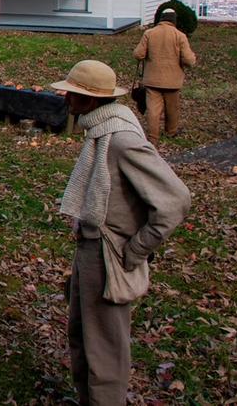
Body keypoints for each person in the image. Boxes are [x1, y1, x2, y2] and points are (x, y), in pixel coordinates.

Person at [49, 59, 191, 404]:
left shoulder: (121, 140)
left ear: (92, 101)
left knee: (105, 348)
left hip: (109, 253)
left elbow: (175, 199)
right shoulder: (100, 130)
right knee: (82, 335)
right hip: (90, 247)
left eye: (74, 94)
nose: (67, 100)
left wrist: (137, 248)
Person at [133, 9, 197, 143]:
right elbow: (189, 60)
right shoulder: (180, 36)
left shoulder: (149, 33)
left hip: (152, 80)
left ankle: (153, 137)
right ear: (174, 20)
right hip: (173, 81)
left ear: (161, 18)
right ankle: (171, 132)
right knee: (172, 109)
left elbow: (138, 54)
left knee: (153, 110)